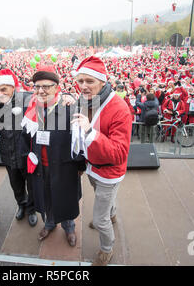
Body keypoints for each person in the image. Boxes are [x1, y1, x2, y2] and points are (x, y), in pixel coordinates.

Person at [71, 56, 132, 266]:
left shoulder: (120, 108)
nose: (84, 86)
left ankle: (107, 250)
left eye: (89, 81)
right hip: (91, 166)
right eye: (80, 81)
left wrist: (90, 130)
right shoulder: (86, 101)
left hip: (109, 172)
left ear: (102, 82)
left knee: (99, 219)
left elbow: (119, 153)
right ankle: (111, 214)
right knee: (103, 200)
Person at [21, 65, 85, 247]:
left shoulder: (69, 108)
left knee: (64, 198)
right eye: (37, 86)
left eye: (46, 86)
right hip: (40, 167)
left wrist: (80, 166)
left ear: (57, 87)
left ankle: (69, 226)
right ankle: (49, 223)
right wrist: (27, 158)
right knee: (45, 196)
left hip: (63, 166)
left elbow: (78, 141)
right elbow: (24, 138)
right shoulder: (31, 108)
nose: (41, 90)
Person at [0, 69, 38, 227]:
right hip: (8, 153)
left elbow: (50, 97)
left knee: (31, 185)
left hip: (26, 153)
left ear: (12, 87)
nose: (0, 93)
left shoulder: (27, 99)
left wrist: (67, 96)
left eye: (4, 89)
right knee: (16, 185)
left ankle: (31, 209)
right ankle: (21, 205)